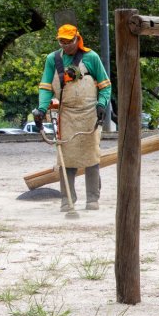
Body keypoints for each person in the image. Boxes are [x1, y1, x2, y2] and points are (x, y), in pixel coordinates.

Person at [33, 24, 111, 211]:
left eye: (69, 41)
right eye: (62, 41)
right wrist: (42, 109)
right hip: (66, 114)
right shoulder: (53, 59)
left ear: (77, 39)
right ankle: (67, 199)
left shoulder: (91, 57)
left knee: (91, 156)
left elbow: (105, 85)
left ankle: (92, 199)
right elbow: (45, 87)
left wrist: (102, 104)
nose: (66, 45)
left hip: (89, 112)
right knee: (66, 158)